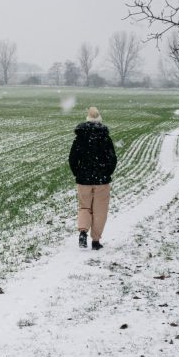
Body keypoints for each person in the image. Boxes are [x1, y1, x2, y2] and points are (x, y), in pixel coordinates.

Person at [68, 106, 118, 250]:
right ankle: (95, 241)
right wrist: (107, 173)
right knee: (100, 211)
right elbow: (112, 159)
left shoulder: (79, 138)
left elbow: (72, 159)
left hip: (83, 180)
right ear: (100, 120)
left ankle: (83, 231)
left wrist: (78, 173)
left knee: (84, 207)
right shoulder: (105, 138)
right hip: (101, 180)